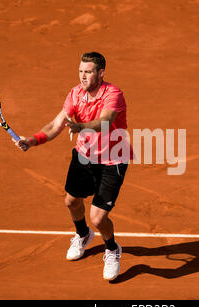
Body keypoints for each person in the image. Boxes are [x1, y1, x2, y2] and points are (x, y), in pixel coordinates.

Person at [14, 52, 132, 281]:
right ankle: (82, 235)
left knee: (98, 218)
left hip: (112, 160)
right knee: (71, 201)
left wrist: (81, 127)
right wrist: (31, 140)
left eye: (88, 72)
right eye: (80, 71)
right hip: (84, 156)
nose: (83, 76)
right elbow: (56, 124)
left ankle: (112, 249)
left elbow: (105, 121)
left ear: (101, 73)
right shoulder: (75, 94)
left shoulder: (113, 94)